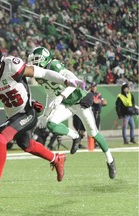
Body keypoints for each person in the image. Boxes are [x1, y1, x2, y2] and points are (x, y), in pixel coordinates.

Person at [0, 40, 84, 199]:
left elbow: (43, 73)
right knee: (27, 145)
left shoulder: (11, 65)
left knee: (0, 137)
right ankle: (56, 159)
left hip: (27, 113)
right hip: (13, 115)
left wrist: (65, 81)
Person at [28, 47, 116, 179]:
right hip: (66, 104)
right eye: (33, 60)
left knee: (93, 133)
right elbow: (50, 94)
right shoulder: (40, 75)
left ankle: (110, 160)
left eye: (36, 60)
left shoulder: (54, 66)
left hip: (79, 101)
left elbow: (74, 82)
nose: (34, 63)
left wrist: (61, 96)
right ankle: (75, 136)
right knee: (51, 123)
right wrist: (45, 115)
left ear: (45, 60)